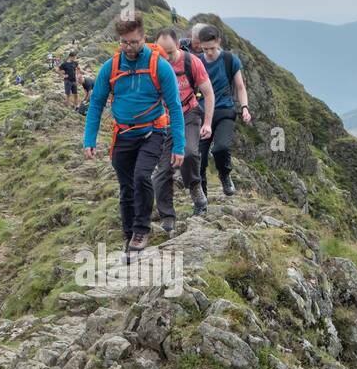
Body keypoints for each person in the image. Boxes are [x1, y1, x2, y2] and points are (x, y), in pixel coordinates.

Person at [83, 14, 184, 256]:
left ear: (144, 38)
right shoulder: (111, 66)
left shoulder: (160, 66)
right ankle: (129, 232)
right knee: (126, 186)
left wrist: (179, 146)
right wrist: (89, 139)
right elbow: (96, 103)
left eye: (134, 42)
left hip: (152, 132)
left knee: (141, 177)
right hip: (122, 135)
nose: (129, 48)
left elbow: (175, 106)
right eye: (124, 42)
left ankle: (141, 230)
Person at [151, 27, 214, 228]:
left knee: (189, 153)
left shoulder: (191, 62)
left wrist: (207, 123)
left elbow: (208, 93)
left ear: (178, 45)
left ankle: (195, 187)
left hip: (189, 113)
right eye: (161, 52)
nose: (166, 57)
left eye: (169, 52)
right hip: (163, 120)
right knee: (162, 172)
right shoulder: (152, 66)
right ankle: (167, 216)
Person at [196, 26, 251, 197]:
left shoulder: (229, 59)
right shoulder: (197, 62)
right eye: (205, 49)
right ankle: (201, 199)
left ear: (218, 42)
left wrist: (245, 108)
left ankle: (225, 175)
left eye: (212, 48)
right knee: (199, 159)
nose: (209, 52)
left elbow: (240, 87)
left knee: (220, 148)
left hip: (225, 111)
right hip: (202, 113)